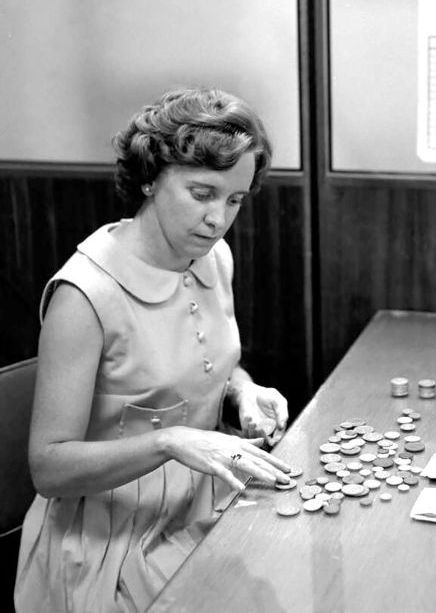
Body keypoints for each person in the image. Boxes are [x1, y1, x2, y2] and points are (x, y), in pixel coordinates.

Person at [14, 87, 293, 613]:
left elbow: (195, 365)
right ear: (149, 179)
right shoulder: (84, 295)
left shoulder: (214, 258)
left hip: (203, 504)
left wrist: (243, 392)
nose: (219, 219)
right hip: (110, 542)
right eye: (202, 193)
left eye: (235, 200)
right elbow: (49, 469)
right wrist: (171, 441)